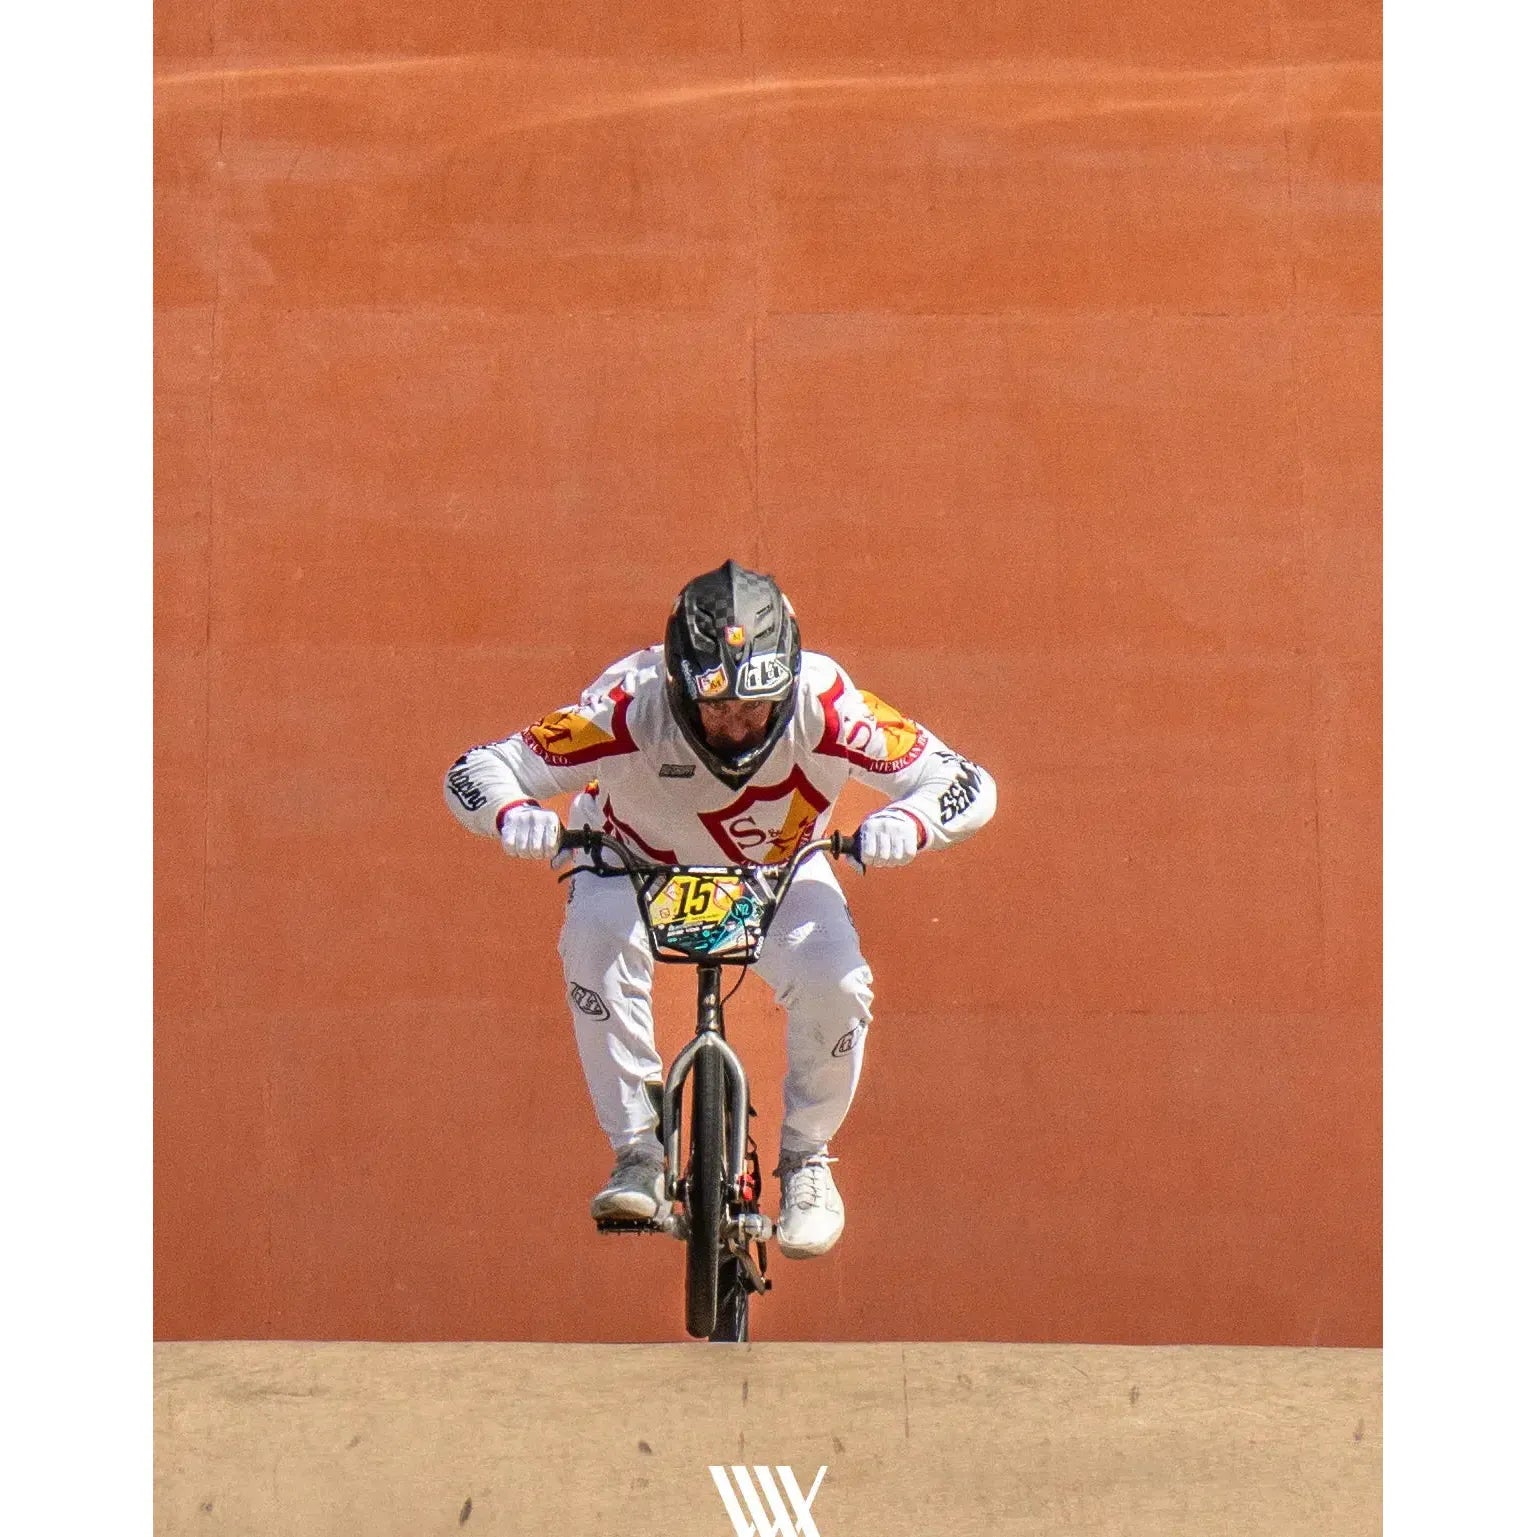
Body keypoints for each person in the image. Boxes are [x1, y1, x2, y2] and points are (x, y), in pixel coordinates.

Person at [444, 560, 996, 1258]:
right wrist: (511, 811)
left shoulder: (829, 706)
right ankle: (636, 1154)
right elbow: (477, 769)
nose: (735, 723)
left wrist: (911, 822)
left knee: (838, 981)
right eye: (715, 706)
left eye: (753, 706)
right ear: (675, 685)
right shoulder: (626, 705)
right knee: (591, 939)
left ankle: (806, 1159)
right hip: (633, 863)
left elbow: (964, 781)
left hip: (776, 872)